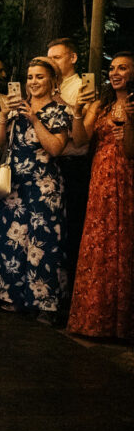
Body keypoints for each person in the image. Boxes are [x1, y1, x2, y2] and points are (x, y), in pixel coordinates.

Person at [0, 58, 72, 322]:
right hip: (14, 185)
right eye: (30, 77)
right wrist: (2, 116)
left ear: (52, 81)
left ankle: (43, 303)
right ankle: (12, 296)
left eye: (40, 77)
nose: (33, 82)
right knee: (14, 240)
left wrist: (34, 118)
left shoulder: (59, 111)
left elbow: (56, 148)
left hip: (44, 186)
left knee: (42, 242)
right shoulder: (16, 108)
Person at [67, 52, 134, 339]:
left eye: (123, 68)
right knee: (99, 243)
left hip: (127, 177)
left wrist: (130, 124)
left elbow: (130, 150)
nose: (115, 72)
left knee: (124, 243)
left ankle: (121, 324)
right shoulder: (102, 103)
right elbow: (81, 140)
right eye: (112, 68)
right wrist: (80, 112)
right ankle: (93, 319)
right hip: (101, 180)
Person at [46, 37, 93, 302]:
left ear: (72, 58)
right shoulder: (48, 85)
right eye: (49, 57)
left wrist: (58, 100)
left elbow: (81, 134)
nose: (52, 62)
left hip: (71, 164)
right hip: (49, 163)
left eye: (57, 57)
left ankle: (70, 293)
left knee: (70, 227)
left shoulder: (82, 87)